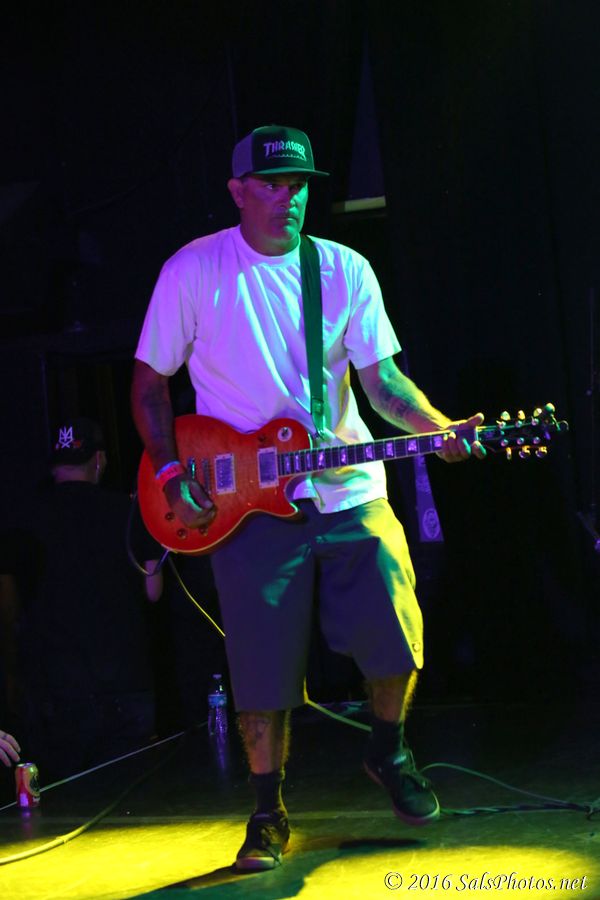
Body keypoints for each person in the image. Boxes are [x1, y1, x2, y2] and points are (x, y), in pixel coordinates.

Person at [131, 124, 485, 871]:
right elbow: (149, 384)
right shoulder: (194, 271)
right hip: (246, 499)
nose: (288, 198)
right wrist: (168, 474)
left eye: (298, 185)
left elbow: (383, 383)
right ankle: (267, 811)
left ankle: (387, 749)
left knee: (396, 624)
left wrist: (438, 428)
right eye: (272, 184)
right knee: (261, 668)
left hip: (347, 487)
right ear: (238, 191)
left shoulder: (344, 269)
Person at [16, 418, 160, 779]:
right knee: (131, 798)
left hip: (58, 690)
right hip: (125, 684)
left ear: (55, 467)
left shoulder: (27, 519)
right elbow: (153, 590)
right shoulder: (129, 512)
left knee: (65, 801)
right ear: (99, 460)